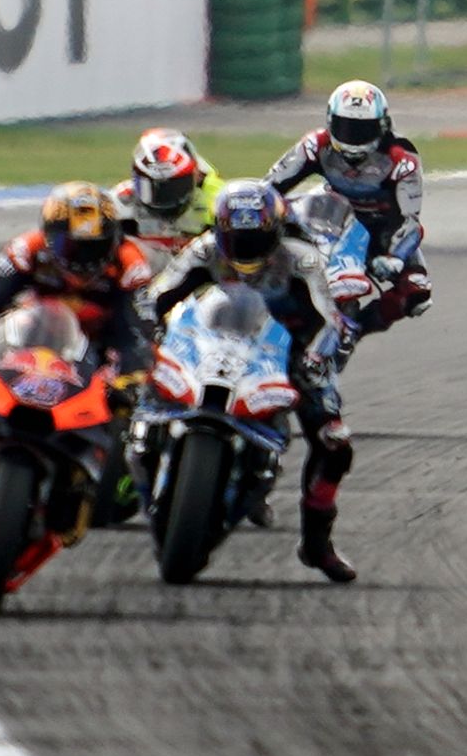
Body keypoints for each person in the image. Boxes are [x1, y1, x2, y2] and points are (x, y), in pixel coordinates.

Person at [0, 184, 155, 593]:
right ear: (50, 235)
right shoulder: (27, 249)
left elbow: (137, 333)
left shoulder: (130, 265)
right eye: (70, 245)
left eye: (93, 247)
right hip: (25, 343)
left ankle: (81, 487)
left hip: (94, 355)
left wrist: (131, 378)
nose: (81, 257)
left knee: (123, 405)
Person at [147, 180, 360, 582]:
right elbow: (156, 296)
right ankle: (134, 458)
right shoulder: (204, 249)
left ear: (276, 231)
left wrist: (315, 356)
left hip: (287, 349)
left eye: (255, 240)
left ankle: (317, 543)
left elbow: (329, 319)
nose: (245, 251)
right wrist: (148, 330)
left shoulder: (302, 259)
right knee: (134, 383)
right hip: (213, 339)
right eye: (236, 239)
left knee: (334, 442)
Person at [263, 81, 430, 343]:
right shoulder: (315, 145)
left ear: (383, 126)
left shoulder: (402, 159)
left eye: (363, 129)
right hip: (328, 219)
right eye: (346, 127)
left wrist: (396, 257)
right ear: (331, 122)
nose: (353, 138)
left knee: (416, 293)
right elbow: (270, 187)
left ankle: (354, 332)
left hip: (380, 231)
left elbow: (410, 222)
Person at [117, 125, 222, 286]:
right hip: (144, 284)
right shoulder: (122, 199)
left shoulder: (218, 198)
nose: (163, 200)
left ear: (195, 175)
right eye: (151, 187)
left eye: (175, 187)